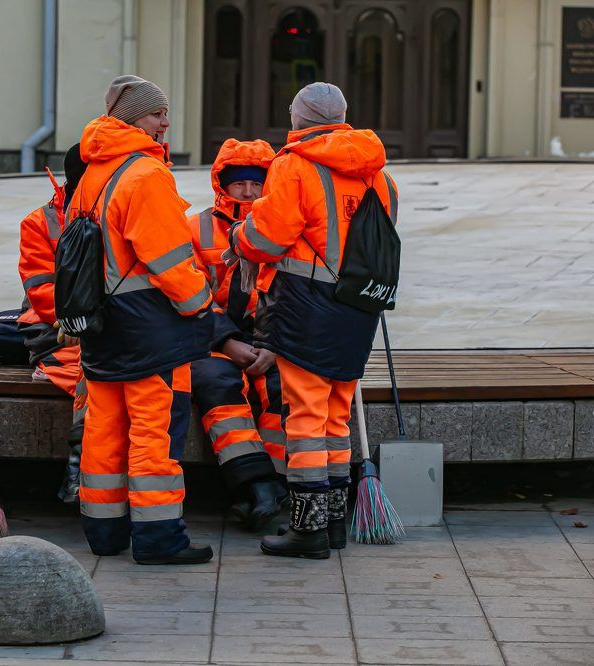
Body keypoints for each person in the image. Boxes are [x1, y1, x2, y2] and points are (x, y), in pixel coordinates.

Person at [229, 82, 399, 558]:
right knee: (337, 414)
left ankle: (307, 530)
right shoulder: (379, 173)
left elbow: (270, 235)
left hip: (306, 303)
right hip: (358, 305)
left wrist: (241, 235)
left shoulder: (294, 164)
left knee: (304, 414)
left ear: (299, 118)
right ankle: (336, 524)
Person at [69, 75, 215, 565]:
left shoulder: (93, 173)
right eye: (157, 114)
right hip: (150, 326)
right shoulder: (146, 176)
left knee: (103, 428)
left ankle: (104, 532)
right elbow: (170, 259)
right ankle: (158, 538)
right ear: (133, 118)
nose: (165, 122)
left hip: (100, 326)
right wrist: (201, 304)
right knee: (153, 432)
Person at [187, 138, 288, 531]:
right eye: (238, 183)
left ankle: (274, 488)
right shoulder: (193, 228)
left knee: (282, 390)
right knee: (218, 384)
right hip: (211, 340)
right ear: (220, 185)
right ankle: (256, 485)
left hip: (269, 341)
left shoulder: (286, 228)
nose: (247, 192)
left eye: (256, 183)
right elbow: (188, 296)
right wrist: (227, 341)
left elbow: (292, 295)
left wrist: (273, 346)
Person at [17, 144, 89, 503]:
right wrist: (75, 323)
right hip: (56, 331)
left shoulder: (113, 209)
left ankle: (81, 474)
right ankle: (77, 472)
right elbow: (40, 289)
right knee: (92, 373)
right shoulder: (40, 221)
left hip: (96, 328)